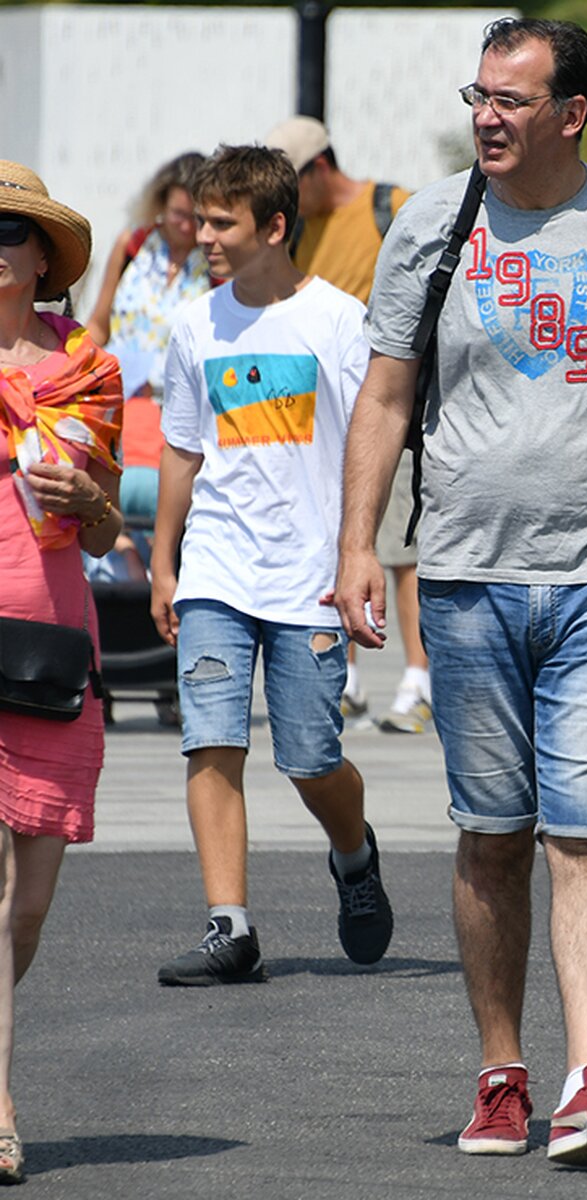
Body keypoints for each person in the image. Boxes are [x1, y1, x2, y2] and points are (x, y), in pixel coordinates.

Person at [334, 17, 587, 1168]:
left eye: (513, 99)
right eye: (480, 96)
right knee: (492, 837)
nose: (489, 116)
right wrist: (358, 546)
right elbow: (386, 399)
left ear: (573, 113)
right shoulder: (430, 222)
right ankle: (502, 1073)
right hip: (462, 580)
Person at [150, 145, 392, 986]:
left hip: (310, 576)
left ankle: (354, 856)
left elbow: (373, 439)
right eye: (202, 219)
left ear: (275, 226)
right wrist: (162, 562)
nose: (204, 235)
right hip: (217, 566)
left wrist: (359, 553)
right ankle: (230, 927)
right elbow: (182, 449)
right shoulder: (194, 323)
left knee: (309, 757)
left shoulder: (338, 321)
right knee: (210, 739)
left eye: (222, 222)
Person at [0, 160, 125, 1182]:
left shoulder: (89, 367)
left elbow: (107, 524)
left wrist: (84, 489)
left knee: (25, 907)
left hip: (47, 645)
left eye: (6, 231)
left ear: (41, 257)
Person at [265, 117, 429, 732]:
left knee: (402, 550)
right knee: (339, 539)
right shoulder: (297, 231)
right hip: (324, 413)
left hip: (392, 407)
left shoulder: (393, 208)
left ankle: (420, 679)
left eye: (290, 183)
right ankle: (348, 679)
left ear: (319, 169)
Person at [86, 152, 213, 522]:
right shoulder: (134, 245)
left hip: (174, 412)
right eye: (178, 214)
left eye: (197, 217)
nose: (187, 227)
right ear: (160, 205)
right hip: (118, 404)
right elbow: (100, 321)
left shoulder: (215, 265)